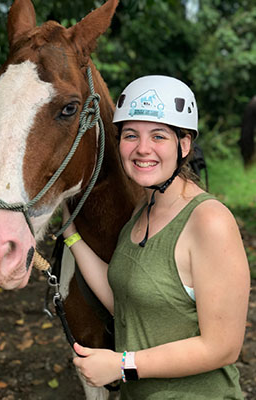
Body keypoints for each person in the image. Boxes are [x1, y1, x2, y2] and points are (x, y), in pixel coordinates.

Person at [62, 75, 250, 399]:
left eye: (158, 136)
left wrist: (123, 365)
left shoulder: (209, 221)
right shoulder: (144, 209)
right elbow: (124, 298)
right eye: (131, 135)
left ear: (185, 144)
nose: (142, 149)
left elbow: (222, 348)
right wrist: (70, 234)